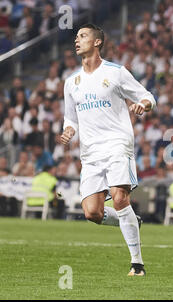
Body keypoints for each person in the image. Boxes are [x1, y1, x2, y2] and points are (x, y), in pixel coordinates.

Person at [60, 23, 156, 277]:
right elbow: (70, 117)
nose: (77, 40)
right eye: (76, 37)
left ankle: (137, 263)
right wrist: (69, 130)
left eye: (82, 36)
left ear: (97, 42)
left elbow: (147, 96)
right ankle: (131, 220)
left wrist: (143, 105)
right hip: (90, 153)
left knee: (120, 196)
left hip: (117, 143)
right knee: (92, 212)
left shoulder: (116, 72)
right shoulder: (71, 83)